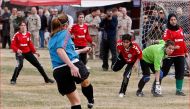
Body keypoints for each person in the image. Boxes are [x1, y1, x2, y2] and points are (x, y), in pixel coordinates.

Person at [48, 14, 94, 109]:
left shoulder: (52, 38)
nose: (71, 26)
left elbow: (67, 52)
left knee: (75, 102)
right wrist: (72, 66)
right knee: (85, 82)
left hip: (58, 71)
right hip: (71, 64)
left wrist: (82, 50)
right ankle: (91, 99)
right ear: (65, 25)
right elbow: (60, 51)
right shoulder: (66, 33)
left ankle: (90, 100)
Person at [152, 13, 188, 96]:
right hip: (170, 55)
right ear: (169, 21)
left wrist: (185, 51)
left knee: (180, 72)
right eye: (171, 20)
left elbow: (182, 42)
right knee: (164, 72)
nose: (173, 21)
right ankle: (155, 87)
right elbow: (166, 43)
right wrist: (174, 48)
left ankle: (179, 90)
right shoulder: (167, 30)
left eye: (175, 19)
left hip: (180, 55)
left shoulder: (180, 29)